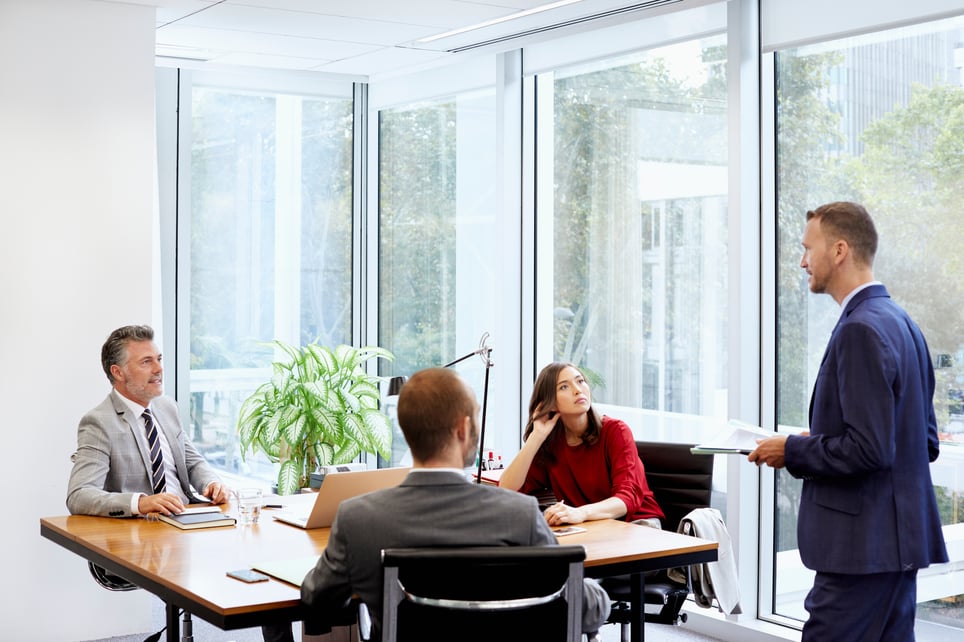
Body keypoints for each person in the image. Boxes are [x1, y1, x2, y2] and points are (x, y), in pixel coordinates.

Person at [263, 367, 611, 642]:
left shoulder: (357, 519)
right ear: (463, 428)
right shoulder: (518, 515)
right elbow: (584, 609)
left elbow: (317, 604)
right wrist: (595, 589)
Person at [749, 201, 948, 642]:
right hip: (894, 548)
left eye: (807, 249)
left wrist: (793, 450)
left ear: (839, 250)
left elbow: (871, 449)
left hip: (862, 549)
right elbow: (923, 442)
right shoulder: (903, 324)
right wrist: (822, 439)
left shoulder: (860, 329)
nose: (802, 261)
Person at [67, 324, 229, 518]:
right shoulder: (99, 422)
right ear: (118, 372)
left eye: (159, 359)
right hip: (143, 530)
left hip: (187, 519)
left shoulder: (167, 407)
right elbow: (79, 495)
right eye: (146, 362)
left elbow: (191, 462)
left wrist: (212, 483)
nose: (159, 368)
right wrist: (140, 503)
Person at [499, 362, 664, 528]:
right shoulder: (551, 443)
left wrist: (580, 512)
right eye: (564, 387)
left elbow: (626, 499)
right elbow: (507, 490)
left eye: (580, 381)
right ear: (550, 402)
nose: (578, 390)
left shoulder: (616, 431)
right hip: (592, 525)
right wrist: (537, 436)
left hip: (637, 524)